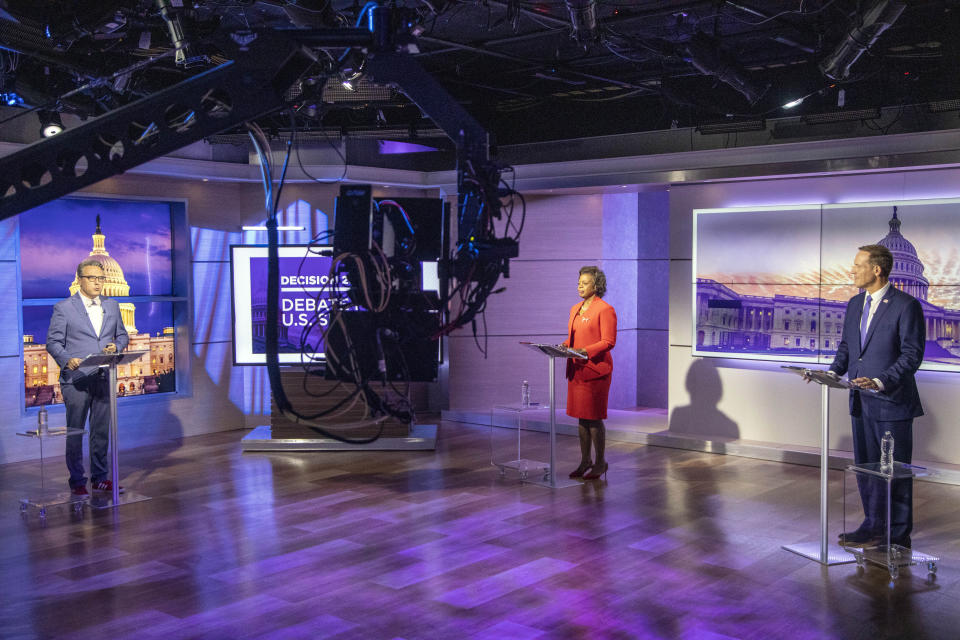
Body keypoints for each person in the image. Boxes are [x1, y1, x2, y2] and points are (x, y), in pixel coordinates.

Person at [828, 244, 924, 548]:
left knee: (893, 471)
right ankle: (872, 525)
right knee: (867, 469)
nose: (852, 271)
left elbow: (911, 356)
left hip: (891, 402)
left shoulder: (906, 305)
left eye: (858, 265)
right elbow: (847, 347)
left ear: (877, 270)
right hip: (859, 400)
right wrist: (832, 373)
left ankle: (896, 536)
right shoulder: (855, 304)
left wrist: (881, 381)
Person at [47, 259, 129, 496]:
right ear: (80, 279)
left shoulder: (112, 305)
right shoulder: (64, 308)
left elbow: (122, 335)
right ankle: (77, 481)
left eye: (101, 278)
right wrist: (66, 359)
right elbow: (53, 342)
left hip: (104, 376)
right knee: (76, 431)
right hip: (77, 379)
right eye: (92, 278)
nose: (98, 283)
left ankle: (100, 478)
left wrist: (117, 345)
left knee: (101, 431)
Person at [563, 266, 617, 480]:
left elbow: (608, 341)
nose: (580, 286)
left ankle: (600, 462)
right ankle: (585, 461)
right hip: (576, 370)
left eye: (584, 283)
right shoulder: (575, 308)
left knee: (593, 418)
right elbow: (574, 339)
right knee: (582, 419)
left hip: (595, 370)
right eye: (579, 282)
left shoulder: (605, 309)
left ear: (596, 286)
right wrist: (563, 346)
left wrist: (584, 351)